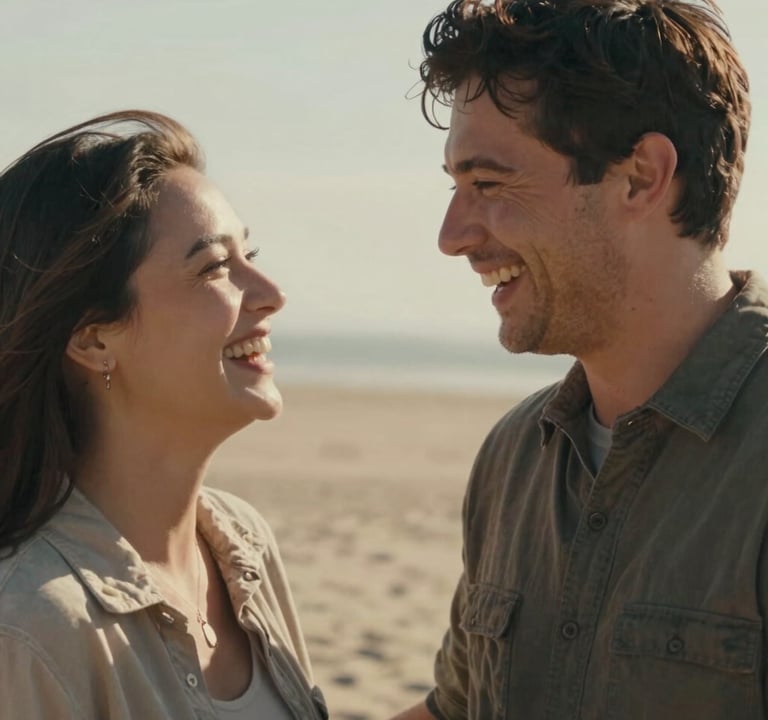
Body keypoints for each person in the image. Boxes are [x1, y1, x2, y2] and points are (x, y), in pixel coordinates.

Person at [392, 0, 764, 718]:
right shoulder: (514, 456)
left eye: (490, 184)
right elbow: (458, 709)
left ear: (640, 177)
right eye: (455, 186)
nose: (452, 235)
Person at [0, 111, 328, 719]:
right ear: (94, 340)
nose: (270, 292)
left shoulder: (241, 545)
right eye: (213, 268)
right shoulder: (30, 631)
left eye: (248, 253)